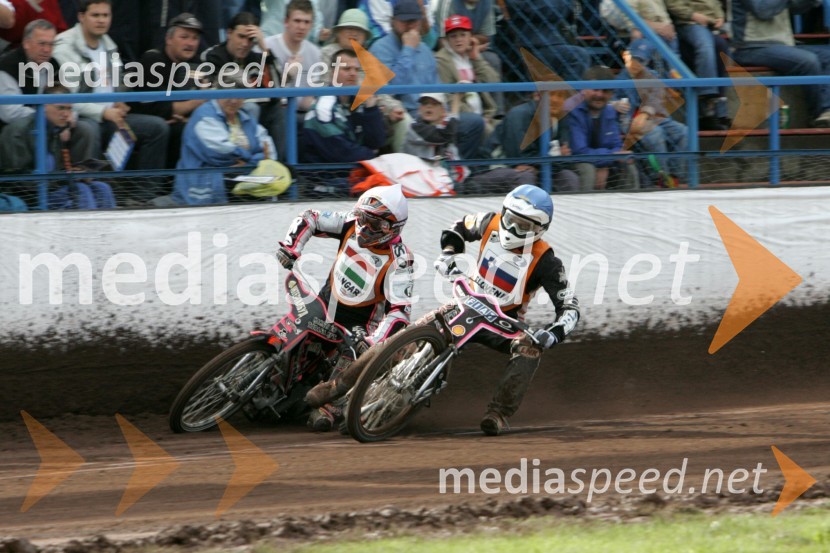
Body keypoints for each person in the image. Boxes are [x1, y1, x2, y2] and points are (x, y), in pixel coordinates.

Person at [434, 184, 580, 435]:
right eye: (511, 220)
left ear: (540, 229)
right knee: (419, 331)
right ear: (504, 212)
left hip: (503, 322)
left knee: (529, 348)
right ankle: (371, 381)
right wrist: (448, 253)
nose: (512, 229)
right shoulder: (489, 221)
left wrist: (552, 334)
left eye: (524, 226)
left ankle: (498, 413)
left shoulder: (547, 261)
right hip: (465, 303)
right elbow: (459, 226)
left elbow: (569, 307)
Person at [276, 184, 415, 431]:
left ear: (392, 228)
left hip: (359, 327)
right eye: (362, 217)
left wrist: (374, 341)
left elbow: (400, 311)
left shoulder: (401, 260)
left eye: (374, 224)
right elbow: (310, 218)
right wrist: (291, 248)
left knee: (351, 360)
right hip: (324, 303)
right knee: (288, 334)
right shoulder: (350, 222)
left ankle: (330, 406)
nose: (364, 227)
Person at [52, 0, 170, 203]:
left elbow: (120, 80)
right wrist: (103, 112)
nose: (101, 20)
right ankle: (92, 197)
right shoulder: (64, 46)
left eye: (105, 15)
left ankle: (143, 199)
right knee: (89, 130)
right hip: (82, 117)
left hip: (111, 114)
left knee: (157, 128)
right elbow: (67, 99)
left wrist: (120, 100)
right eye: (95, 15)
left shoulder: (109, 44)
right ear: (81, 17)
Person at [370, 0, 485, 158]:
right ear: (392, 21)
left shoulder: (424, 49)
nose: (410, 26)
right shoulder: (380, 48)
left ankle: (454, 168)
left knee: (474, 123)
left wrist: (443, 113)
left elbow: (437, 87)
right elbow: (392, 88)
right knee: (423, 129)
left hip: (433, 113)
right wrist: (408, 49)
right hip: (405, 114)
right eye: (404, 21)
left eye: (414, 21)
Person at [0, 84, 115, 210]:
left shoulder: (56, 129)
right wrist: (65, 178)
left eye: (69, 109)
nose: (66, 114)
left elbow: (54, 171)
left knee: (102, 188)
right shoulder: (18, 131)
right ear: (44, 106)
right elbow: (17, 180)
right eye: (60, 108)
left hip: (51, 189)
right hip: (26, 198)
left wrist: (74, 174)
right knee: (80, 190)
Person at [173, 80, 277, 205]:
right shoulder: (204, 115)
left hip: (241, 172)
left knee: (285, 172)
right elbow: (219, 152)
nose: (233, 101)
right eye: (229, 95)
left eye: (239, 97)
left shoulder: (244, 116)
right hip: (208, 177)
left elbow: (268, 148)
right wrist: (252, 159)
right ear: (218, 94)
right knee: (254, 181)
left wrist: (248, 162)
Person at [731, 0, 830, 127]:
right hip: (750, 47)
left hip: (783, 45)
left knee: (827, 56)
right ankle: (820, 113)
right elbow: (763, 11)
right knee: (808, 61)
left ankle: (827, 111)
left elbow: (796, 8)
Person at [128, 13, 207, 169]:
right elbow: (158, 108)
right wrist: (197, 102)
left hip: (177, 122)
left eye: (195, 38)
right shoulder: (152, 60)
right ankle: (152, 183)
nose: (190, 43)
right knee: (167, 128)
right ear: (169, 39)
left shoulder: (198, 64)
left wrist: (186, 115)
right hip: (142, 120)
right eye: (184, 37)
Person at [302, 48, 386, 163]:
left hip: (357, 168)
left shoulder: (360, 102)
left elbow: (377, 142)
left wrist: (371, 109)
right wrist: (372, 154)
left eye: (356, 69)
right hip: (326, 172)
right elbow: (342, 154)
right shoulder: (323, 107)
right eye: (346, 69)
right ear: (333, 73)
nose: (353, 74)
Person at [568, 65, 637, 190]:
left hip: (602, 159)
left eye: (605, 91)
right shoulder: (573, 110)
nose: (599, 94)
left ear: (611, 94)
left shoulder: (609, 111)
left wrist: (606, 162)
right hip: (574, 162)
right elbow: (580, 151)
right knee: (588, 169)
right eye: (595, 89)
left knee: (627, 164)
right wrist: (610, 157)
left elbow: (617, 145)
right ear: (583, 89)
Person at [665, 0, 730, 130]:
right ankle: (707, 94)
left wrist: (720, 16)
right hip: (687, 23)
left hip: (708, 25)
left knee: (721, 46)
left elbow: (715, 3)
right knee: (705, 45)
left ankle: (718, 110)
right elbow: (673, 4)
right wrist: (693, 15)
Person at [434, 14, 499, 132]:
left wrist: (476, 58)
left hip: (486, 114)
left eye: (463, 35)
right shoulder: (442, 61)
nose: (458, 39)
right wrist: (476, 119)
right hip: (462, 118)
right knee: (491, 133)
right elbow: (448, 97)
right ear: (447, 40)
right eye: (453, 36)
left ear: (471, 37)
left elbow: (494, 82)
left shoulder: (471, 55)